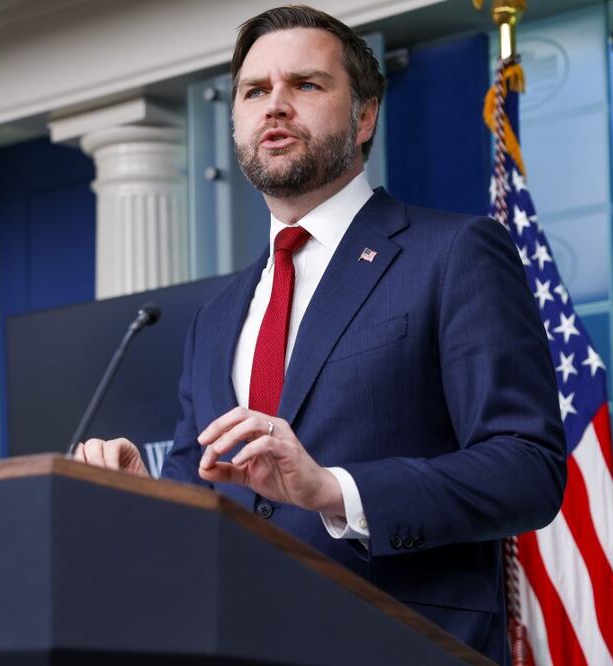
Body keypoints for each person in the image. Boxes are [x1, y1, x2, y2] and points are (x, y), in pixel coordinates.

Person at [73, 6, 565, 662]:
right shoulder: (216, 317)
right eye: (255, 91)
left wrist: (333, 490)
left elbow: (526, 469)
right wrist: (148, 496)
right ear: (236, 124)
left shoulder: (454, 253)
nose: (275, 105)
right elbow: (211, 498)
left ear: (364, 117)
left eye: (305, 84)